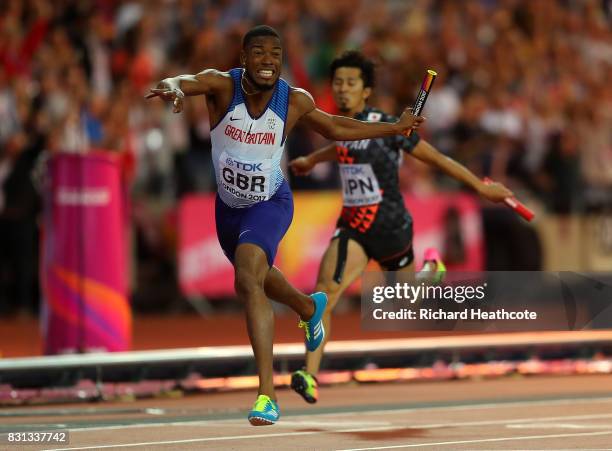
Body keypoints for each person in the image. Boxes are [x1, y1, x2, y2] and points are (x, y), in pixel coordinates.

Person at [146, 27, 424, 426]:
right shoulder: (221, 87)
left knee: (247, 279)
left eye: (275, 53)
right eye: (258, 52)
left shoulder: (293, 100)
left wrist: (394, 128)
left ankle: (266, 395)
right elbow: (182, 81)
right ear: (243, 58)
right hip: (228, 211)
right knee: (257, 276)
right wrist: (171, 88)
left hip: (270, 203)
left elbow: (337, 128)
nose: (268, 60)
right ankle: (310, 308)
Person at [288, 50, 512, 404]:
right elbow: (341, 145)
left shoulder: (391, 126)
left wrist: (481, 187)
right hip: (352, 227)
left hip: (390, 227)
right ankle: (309, 373)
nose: (342, 90)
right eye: (338, 83)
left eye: (351, 83)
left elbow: (438, 159)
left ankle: (430, 271)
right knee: (323, 296)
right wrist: (312, 159)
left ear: (366, 91)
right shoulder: (339, 124)